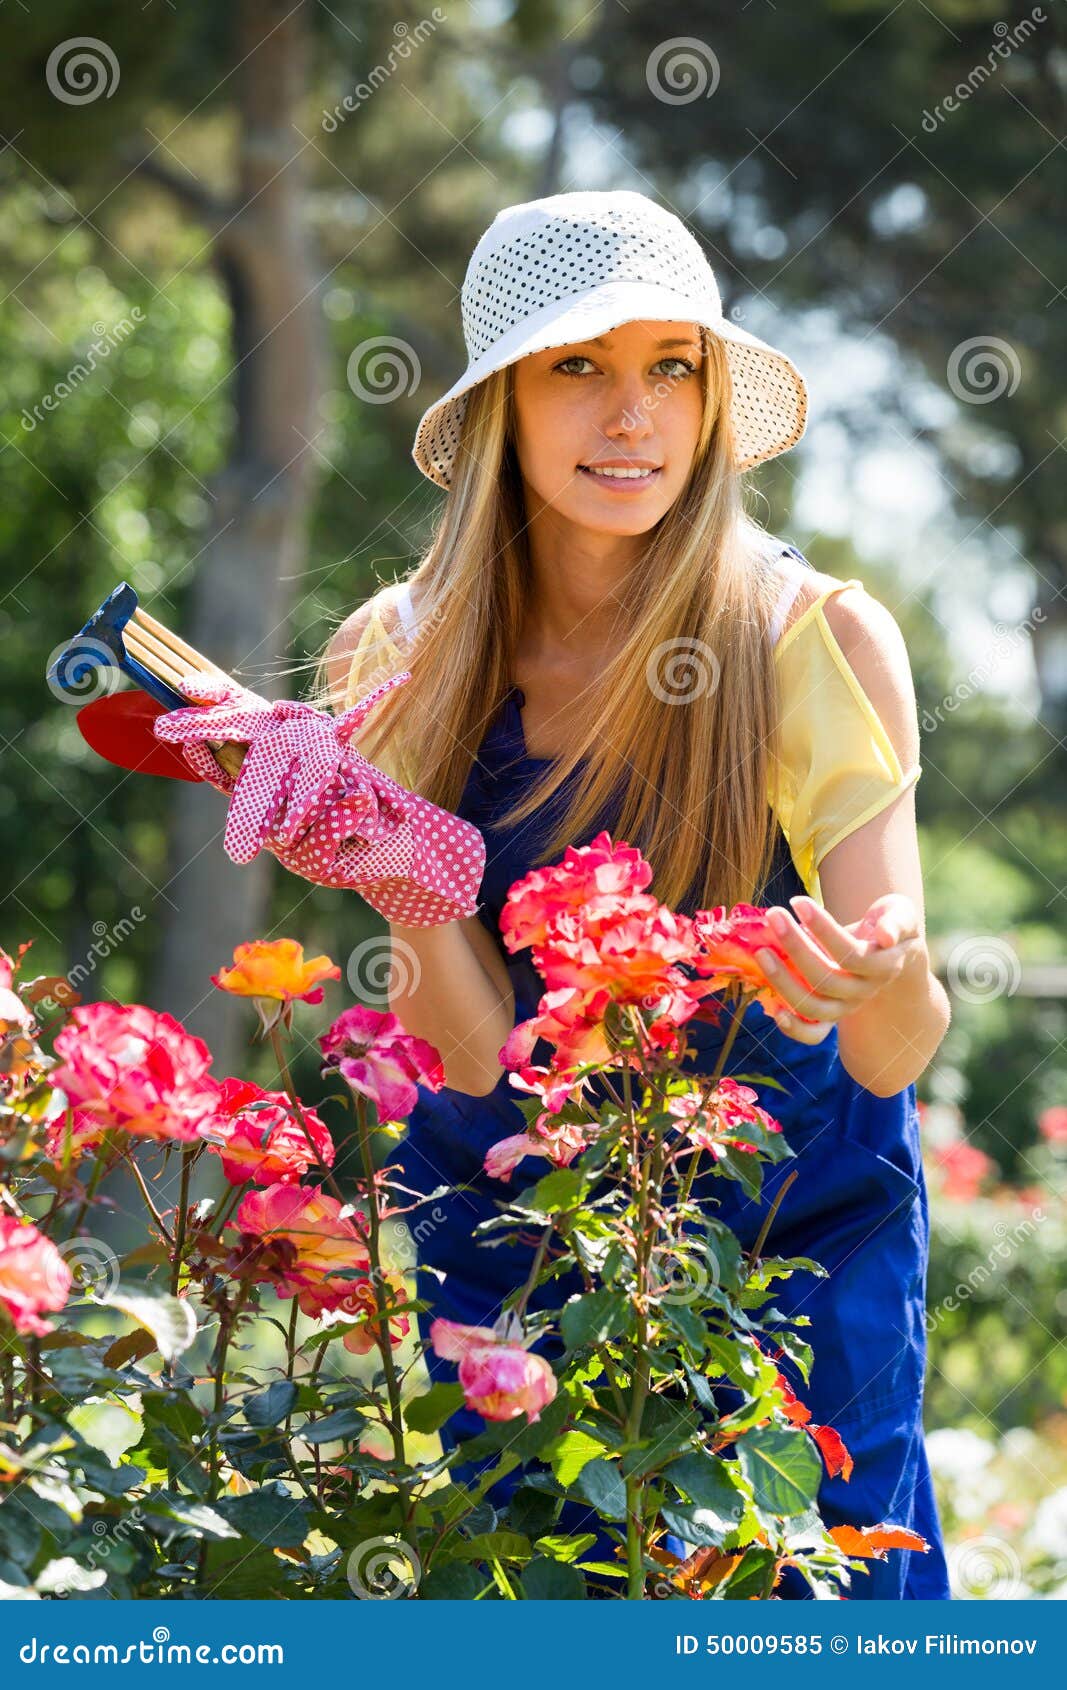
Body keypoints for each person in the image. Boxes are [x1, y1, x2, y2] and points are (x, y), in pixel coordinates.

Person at [319, 189, 953, 1600]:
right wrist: (399, 882)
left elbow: (896, 1046)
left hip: (798, 1249)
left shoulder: (813, 637)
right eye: (579, 367)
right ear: (500, 408)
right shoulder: (397, 660)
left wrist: (884, 976)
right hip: (523, 1253)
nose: (635, 415)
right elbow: (479, 1058)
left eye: (674, 365)